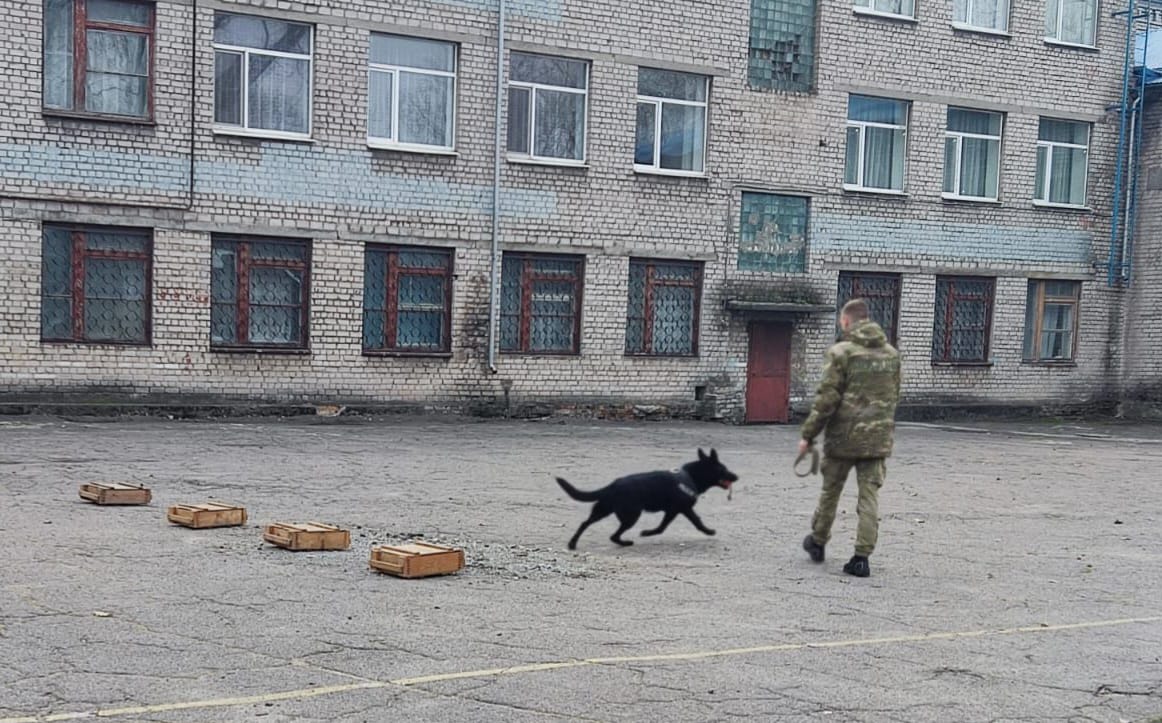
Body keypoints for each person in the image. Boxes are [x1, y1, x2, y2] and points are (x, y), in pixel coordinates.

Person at [799, 298, 901, 578]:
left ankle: (818, 542)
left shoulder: (841, 353)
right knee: (869, 497)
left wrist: (808, 434)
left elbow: (826, 400)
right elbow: (894, 394)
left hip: (843, 438)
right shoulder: (891, 354)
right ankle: (861, 558)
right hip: (877, 440)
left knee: (831, 491)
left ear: (846, 321)